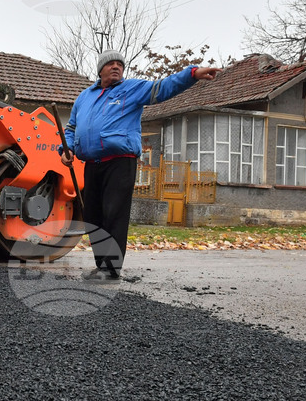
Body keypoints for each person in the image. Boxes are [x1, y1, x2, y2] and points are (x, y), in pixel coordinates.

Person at [61, 49, 220, 279]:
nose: (116, 67)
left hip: (120, 162)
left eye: (120, 64)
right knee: (93, 215)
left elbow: (163, 88)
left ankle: (111, 268)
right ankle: (101, 264)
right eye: (111, 64)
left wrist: (192, 74)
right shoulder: (84, 97)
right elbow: (72, 128)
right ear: (100, 69)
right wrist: (66, 149)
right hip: (92, 164)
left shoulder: (132, 89)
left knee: (113, 214)